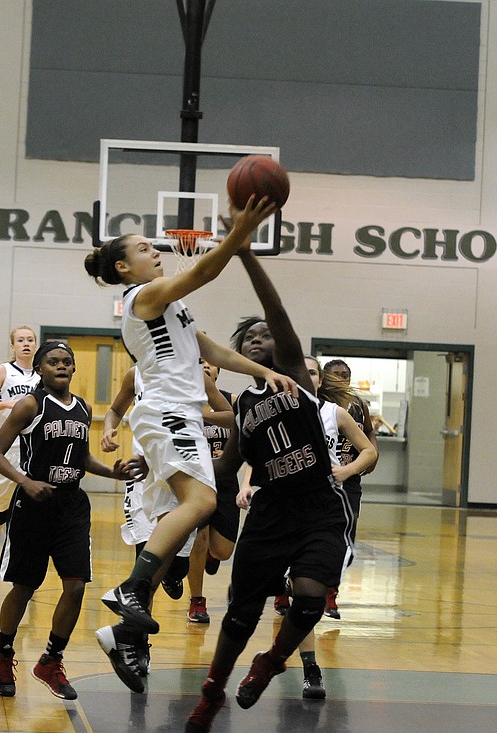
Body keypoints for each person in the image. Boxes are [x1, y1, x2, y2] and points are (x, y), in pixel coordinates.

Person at [83, 194, 295, 637]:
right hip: (169, 412)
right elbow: (202, 271)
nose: (155, 251)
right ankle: (131, 589)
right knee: (202, 503)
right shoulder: (144, 296)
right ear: (123, 267)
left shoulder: (170, 306)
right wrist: (240, 234)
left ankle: (127, 637)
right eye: (143, 248)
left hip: (173, 415)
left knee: (170, 527)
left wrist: (261, 373)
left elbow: (211, 348)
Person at [184, 235, 357, 733]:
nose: (260, 339)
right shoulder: (241, 407)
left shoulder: (296, 378)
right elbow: (226, 467)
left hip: (319, 504)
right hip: (271, 509)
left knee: (308, 598)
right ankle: (212, 694)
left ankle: (272, 660)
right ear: (240, 353)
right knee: (240, 614)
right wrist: (179, 490)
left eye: (266, 335)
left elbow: (275, 308)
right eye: (250, 338)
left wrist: (244, 253)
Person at [0, 341, 138, 700]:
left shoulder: (83, 407)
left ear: (73, 368)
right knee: (24, 586)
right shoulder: (30, 405)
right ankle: (3, 654)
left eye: (66, 362)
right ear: (39, 369)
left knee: (76, 586)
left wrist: (113, 474)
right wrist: (25, 480)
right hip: (34, 504)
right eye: (52, 361)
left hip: (71, 505)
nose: (61, 366)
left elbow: (82, 458)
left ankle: (51, 660)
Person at [237, 355, 377, 701]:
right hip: (277, 511)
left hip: (320, 511)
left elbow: (368, 451)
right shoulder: (270, 413)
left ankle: (304, 666)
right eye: (297, 372)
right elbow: (253, 457)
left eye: (311, 372)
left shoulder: (334, 413)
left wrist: (345, 471)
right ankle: (292, 662)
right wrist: (245, 485)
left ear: (318, 380)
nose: (304, 377)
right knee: (254, 599)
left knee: (309, 596)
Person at [94, 365, 232, 691]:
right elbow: (115, 409)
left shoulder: (195, 375)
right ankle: (135, 646)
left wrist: (201, 416)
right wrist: (108, 430)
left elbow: (228, 414)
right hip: (147, 474)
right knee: (147, 558)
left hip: (182, 470)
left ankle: (130, 628)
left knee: (175, 563)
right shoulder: (134, 374)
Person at [0, 325, 40, 583]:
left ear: (36, 344)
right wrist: (6, 403)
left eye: (30, 339)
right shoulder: (3, 371)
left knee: (29, 511)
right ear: (12, 346)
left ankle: (21, 564)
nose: (26, 343)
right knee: (1, 511)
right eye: (20, 340)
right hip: (3, 452)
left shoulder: (43, 375)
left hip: (33, 452)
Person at [319, 358, 378, 618]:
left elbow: (369, 436)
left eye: (346, 374)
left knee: (347, 537)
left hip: (350, 478)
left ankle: (332, 591)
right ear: (325, 378)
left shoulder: (358, 405)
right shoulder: (317, 404)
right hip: (319, 480)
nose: (342, 378)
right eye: (336, 374)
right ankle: (289, 589)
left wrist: (372, 455)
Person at [187, 359, 242, 624]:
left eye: (210, 363)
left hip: (225, 480)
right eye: (199, 362)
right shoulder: (183, 399)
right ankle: (196, 602)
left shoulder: (234, 402)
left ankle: (211, 552)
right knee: (199, 539)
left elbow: (246, 436)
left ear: (219, 370)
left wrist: (231, 453)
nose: (205, 367)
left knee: (223, 551)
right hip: (195, 480)